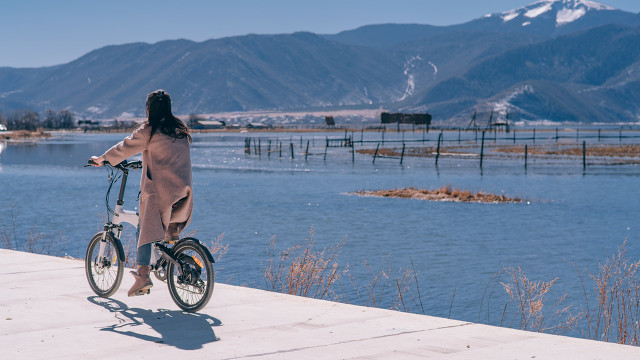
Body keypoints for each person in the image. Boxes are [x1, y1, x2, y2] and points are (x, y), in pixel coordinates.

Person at [91, 89, 193, 297]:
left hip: (161, 194)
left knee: (144, 228)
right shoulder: (179, 129)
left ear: (149, 109)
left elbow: (125, 147)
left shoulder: (150, 131)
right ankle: (170, 243)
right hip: (184, 193)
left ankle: (143, 275)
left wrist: (102, 159)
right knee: (152, 222)